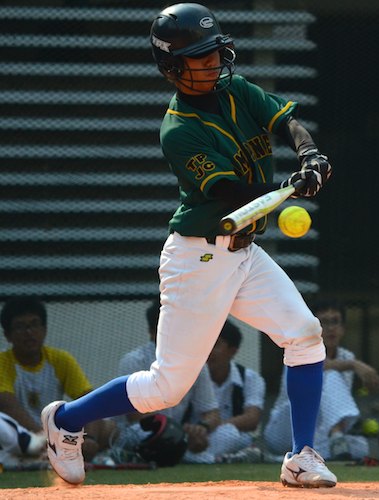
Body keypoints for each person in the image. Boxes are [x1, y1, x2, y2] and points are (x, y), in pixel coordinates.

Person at [40, 3, 335, 488]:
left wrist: (308, 153)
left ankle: (302, 455)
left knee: (304, 334)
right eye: (199, 59)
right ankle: (68, 419)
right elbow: (230, 193)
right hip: (199, 256)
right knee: (166, 387)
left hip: (243, 253)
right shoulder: (178, 129)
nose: (214, 64)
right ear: (173, 70)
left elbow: (285, 120)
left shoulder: (236, 90)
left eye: (214, 53)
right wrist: (289, 190)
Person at [0, 297, 116, 463]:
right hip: (21, 436)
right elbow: (8, 406)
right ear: (7, 335)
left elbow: (89, 399)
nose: (29, 332)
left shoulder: (61, 360)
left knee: (108, 428)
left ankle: (59, 454)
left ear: (45, 329)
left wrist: (89, 438)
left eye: (34, 325)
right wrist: (46, 440)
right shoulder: (2, 363)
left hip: (56, 435)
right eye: (20, 327)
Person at [264, 299, 379, 460]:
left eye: (335, 322)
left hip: (317, 430)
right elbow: (321, 366)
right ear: (312, 327)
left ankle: (281, 459)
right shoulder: (299, 349)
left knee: (361, 448)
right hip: (285, 427)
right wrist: (354, 365)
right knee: (330, 374)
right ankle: (336, 438)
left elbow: (333, 407)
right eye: (324, 323)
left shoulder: (346, 356)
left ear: (343, 328)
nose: (331, 328)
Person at [114, 300, 220, 464]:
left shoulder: (196, 361)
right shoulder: (134, 361)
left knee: (229, 433)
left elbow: (212, 412)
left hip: (182, 432)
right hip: (142, 430)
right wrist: (177, 432)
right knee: (146, 435)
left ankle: (184, 454)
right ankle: (199, 457)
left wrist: (201, 428)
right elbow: (136, 416)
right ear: (152, 332)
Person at [206, 320, 266, 463]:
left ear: (232, 351)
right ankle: (225, 459)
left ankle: (209, 459)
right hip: (198, 436)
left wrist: (217, 425)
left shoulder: (250, 378)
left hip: (228, 435)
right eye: (205, 344)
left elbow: (252, 419)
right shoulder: (192, 377)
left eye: (215, 345)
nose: (208, 351)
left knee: (231, 435)